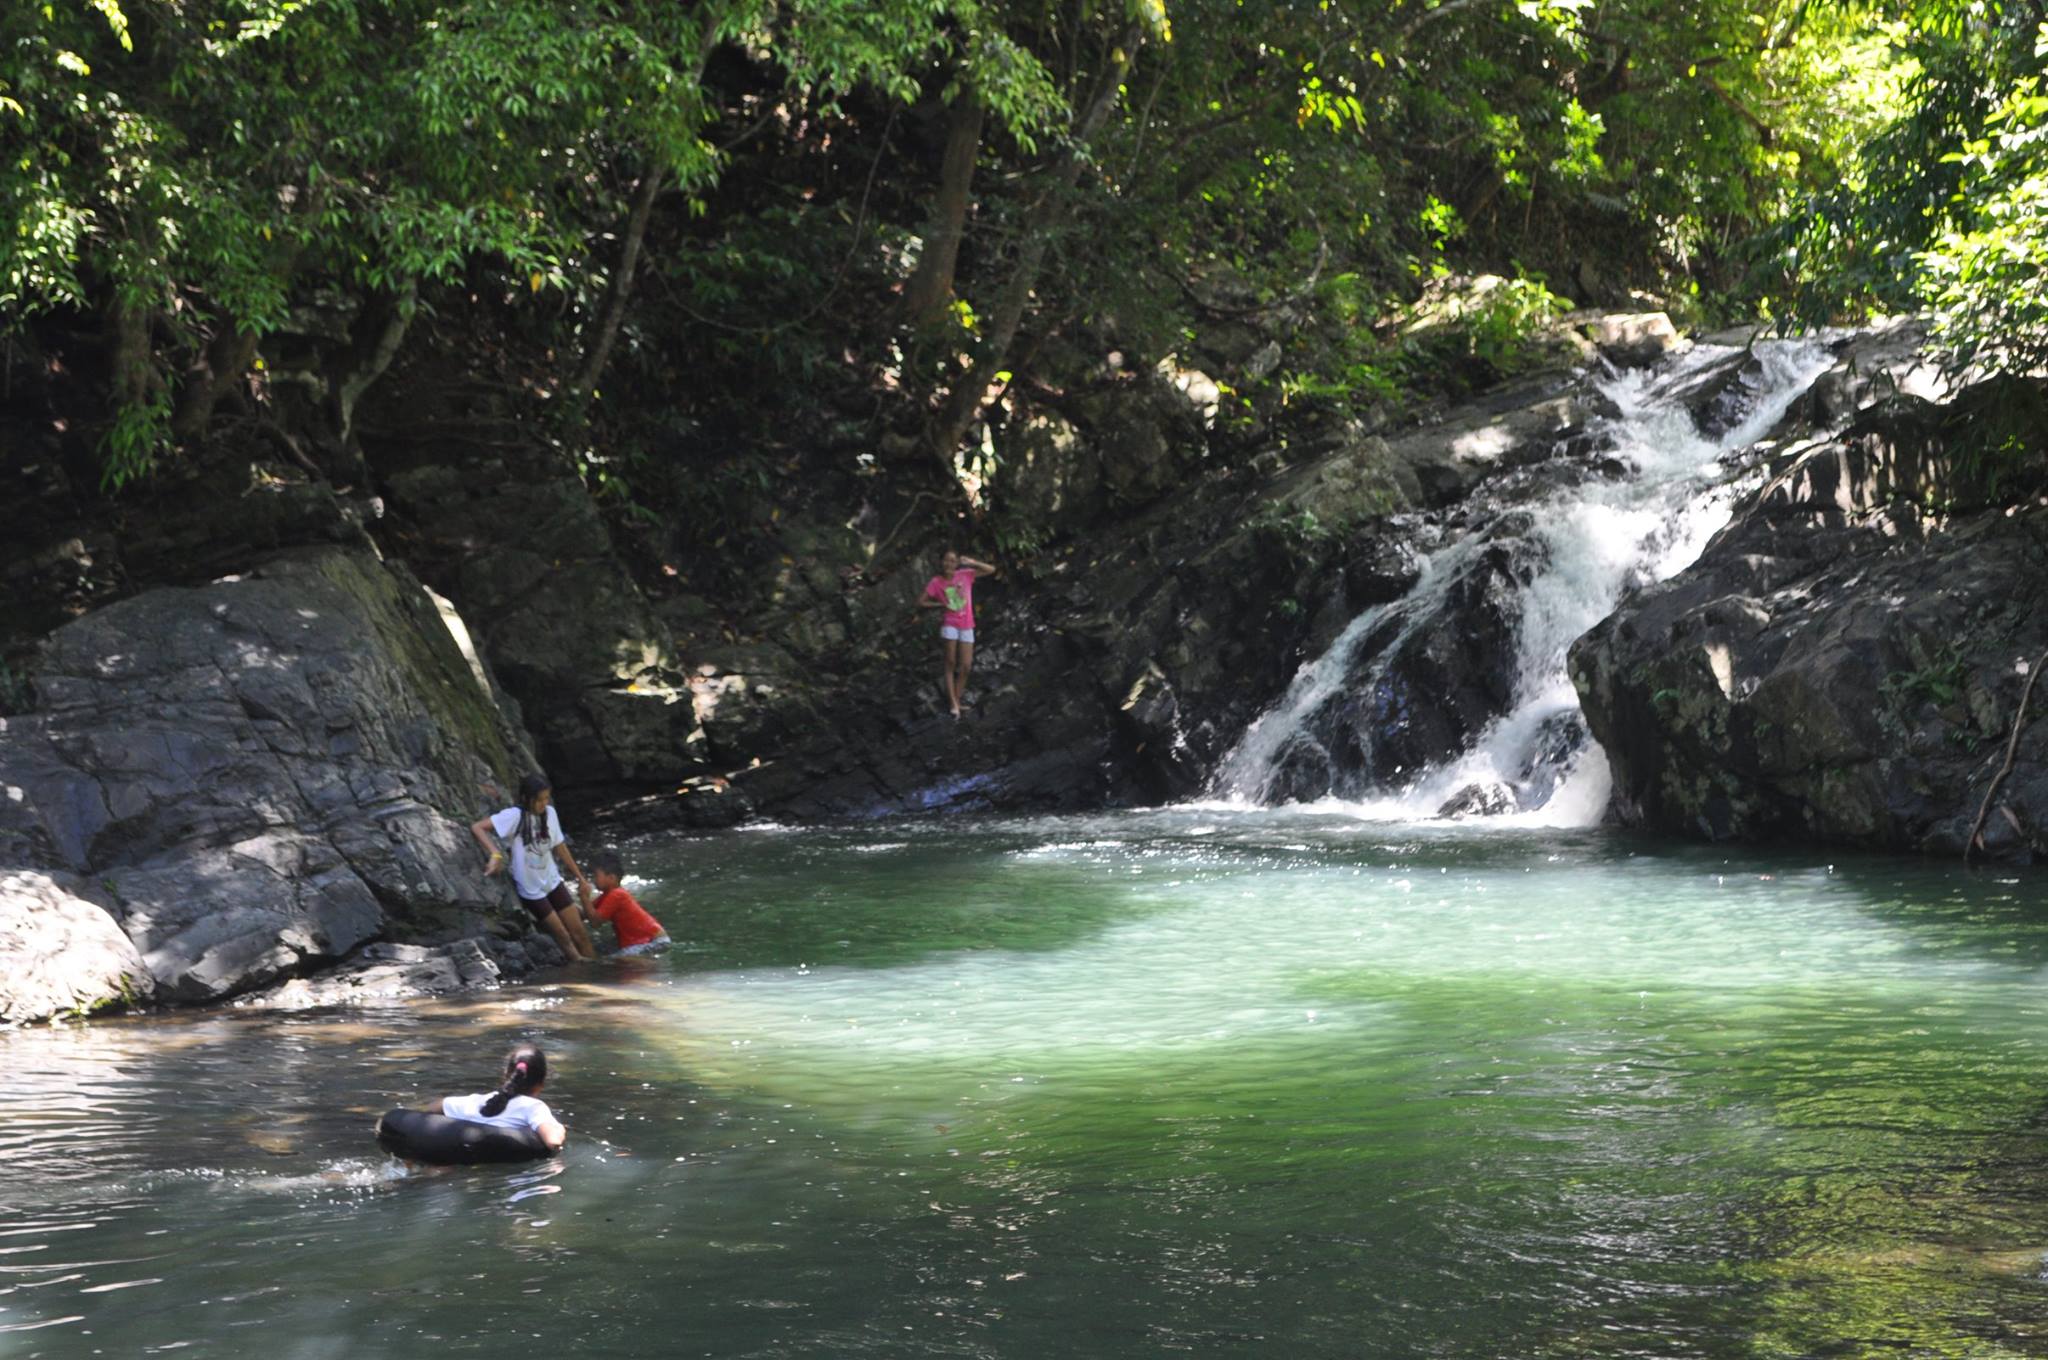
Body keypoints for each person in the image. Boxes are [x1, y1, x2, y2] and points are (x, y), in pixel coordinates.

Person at [472, 773, 597, 962]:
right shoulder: (514, 816)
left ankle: (598, 973)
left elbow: (560, 847)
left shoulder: (550, 813)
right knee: (564, 937)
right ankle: (582, 977)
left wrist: (580, 877)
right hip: (531, 888)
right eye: (539, 800)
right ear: (526, 798)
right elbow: (478, 827)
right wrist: (495, 854)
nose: (543, 803)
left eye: (546, 798)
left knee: (580, 933)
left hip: (552, 880)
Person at [917, 548, 998, 718]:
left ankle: (956, 698)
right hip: (950, 624)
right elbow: (921, 602)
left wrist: (973, 562)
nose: (949, 564)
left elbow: (991, 570)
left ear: (957, 563)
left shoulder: (965, 574)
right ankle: (953, 702)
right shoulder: (936, 582)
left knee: (966, 665)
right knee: (950, 662)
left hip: (967, 624)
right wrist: (940, 605)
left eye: (953, 561)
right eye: (946, 560)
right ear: (941, 562)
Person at [443, 1043, 566, 1152]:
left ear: (505, 1075)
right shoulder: (534, 1107)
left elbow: (435, 1106)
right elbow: (553, 1142)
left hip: (461, 1150)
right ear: (541, 1084)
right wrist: (560, 1129)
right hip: (497, 1157)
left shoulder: (479, 1100)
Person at [582, 848, 671, 955]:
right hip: (647, 940)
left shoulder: (617, 895)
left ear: (611, 878)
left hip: (653, 941)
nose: (593, 880)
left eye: (596, 876)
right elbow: (585, 914)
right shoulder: (608, 895)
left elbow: (595, 922)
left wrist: (584, 897)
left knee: (616, 961)